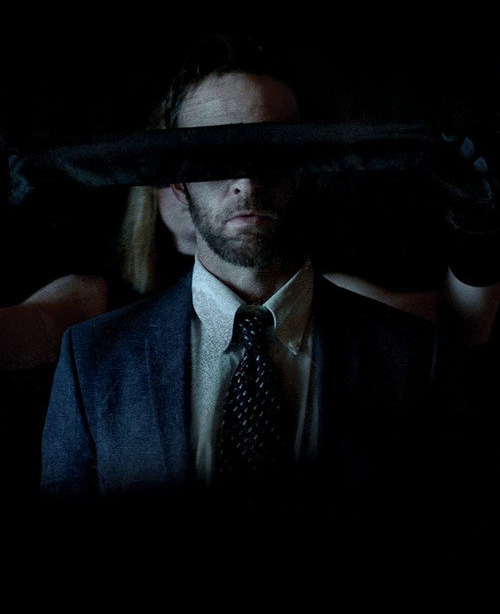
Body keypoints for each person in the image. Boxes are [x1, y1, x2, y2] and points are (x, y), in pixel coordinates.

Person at [41, 37, 497, 560]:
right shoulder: (94, 361)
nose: (247, 180)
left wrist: (480, 227)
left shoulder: (408, 356)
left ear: (308, 165)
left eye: (272, 149)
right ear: (179, 181)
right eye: (215, 152)